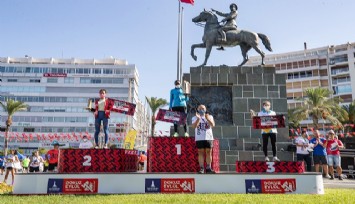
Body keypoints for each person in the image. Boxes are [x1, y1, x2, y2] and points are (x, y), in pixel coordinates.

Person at [192, 104, 216, 174]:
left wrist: (207, 118)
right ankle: (201, 168)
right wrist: (198, 119)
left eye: (203, 108)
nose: (202, 110)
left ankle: (208, 167)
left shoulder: (210, 116)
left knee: (209, 152)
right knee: (201, 152)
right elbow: (194, 126)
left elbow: (213, 125)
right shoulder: (195, 117)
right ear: (198, 109)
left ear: (205, 109)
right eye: (200, 108)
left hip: (209, 137)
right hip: (200, 138)